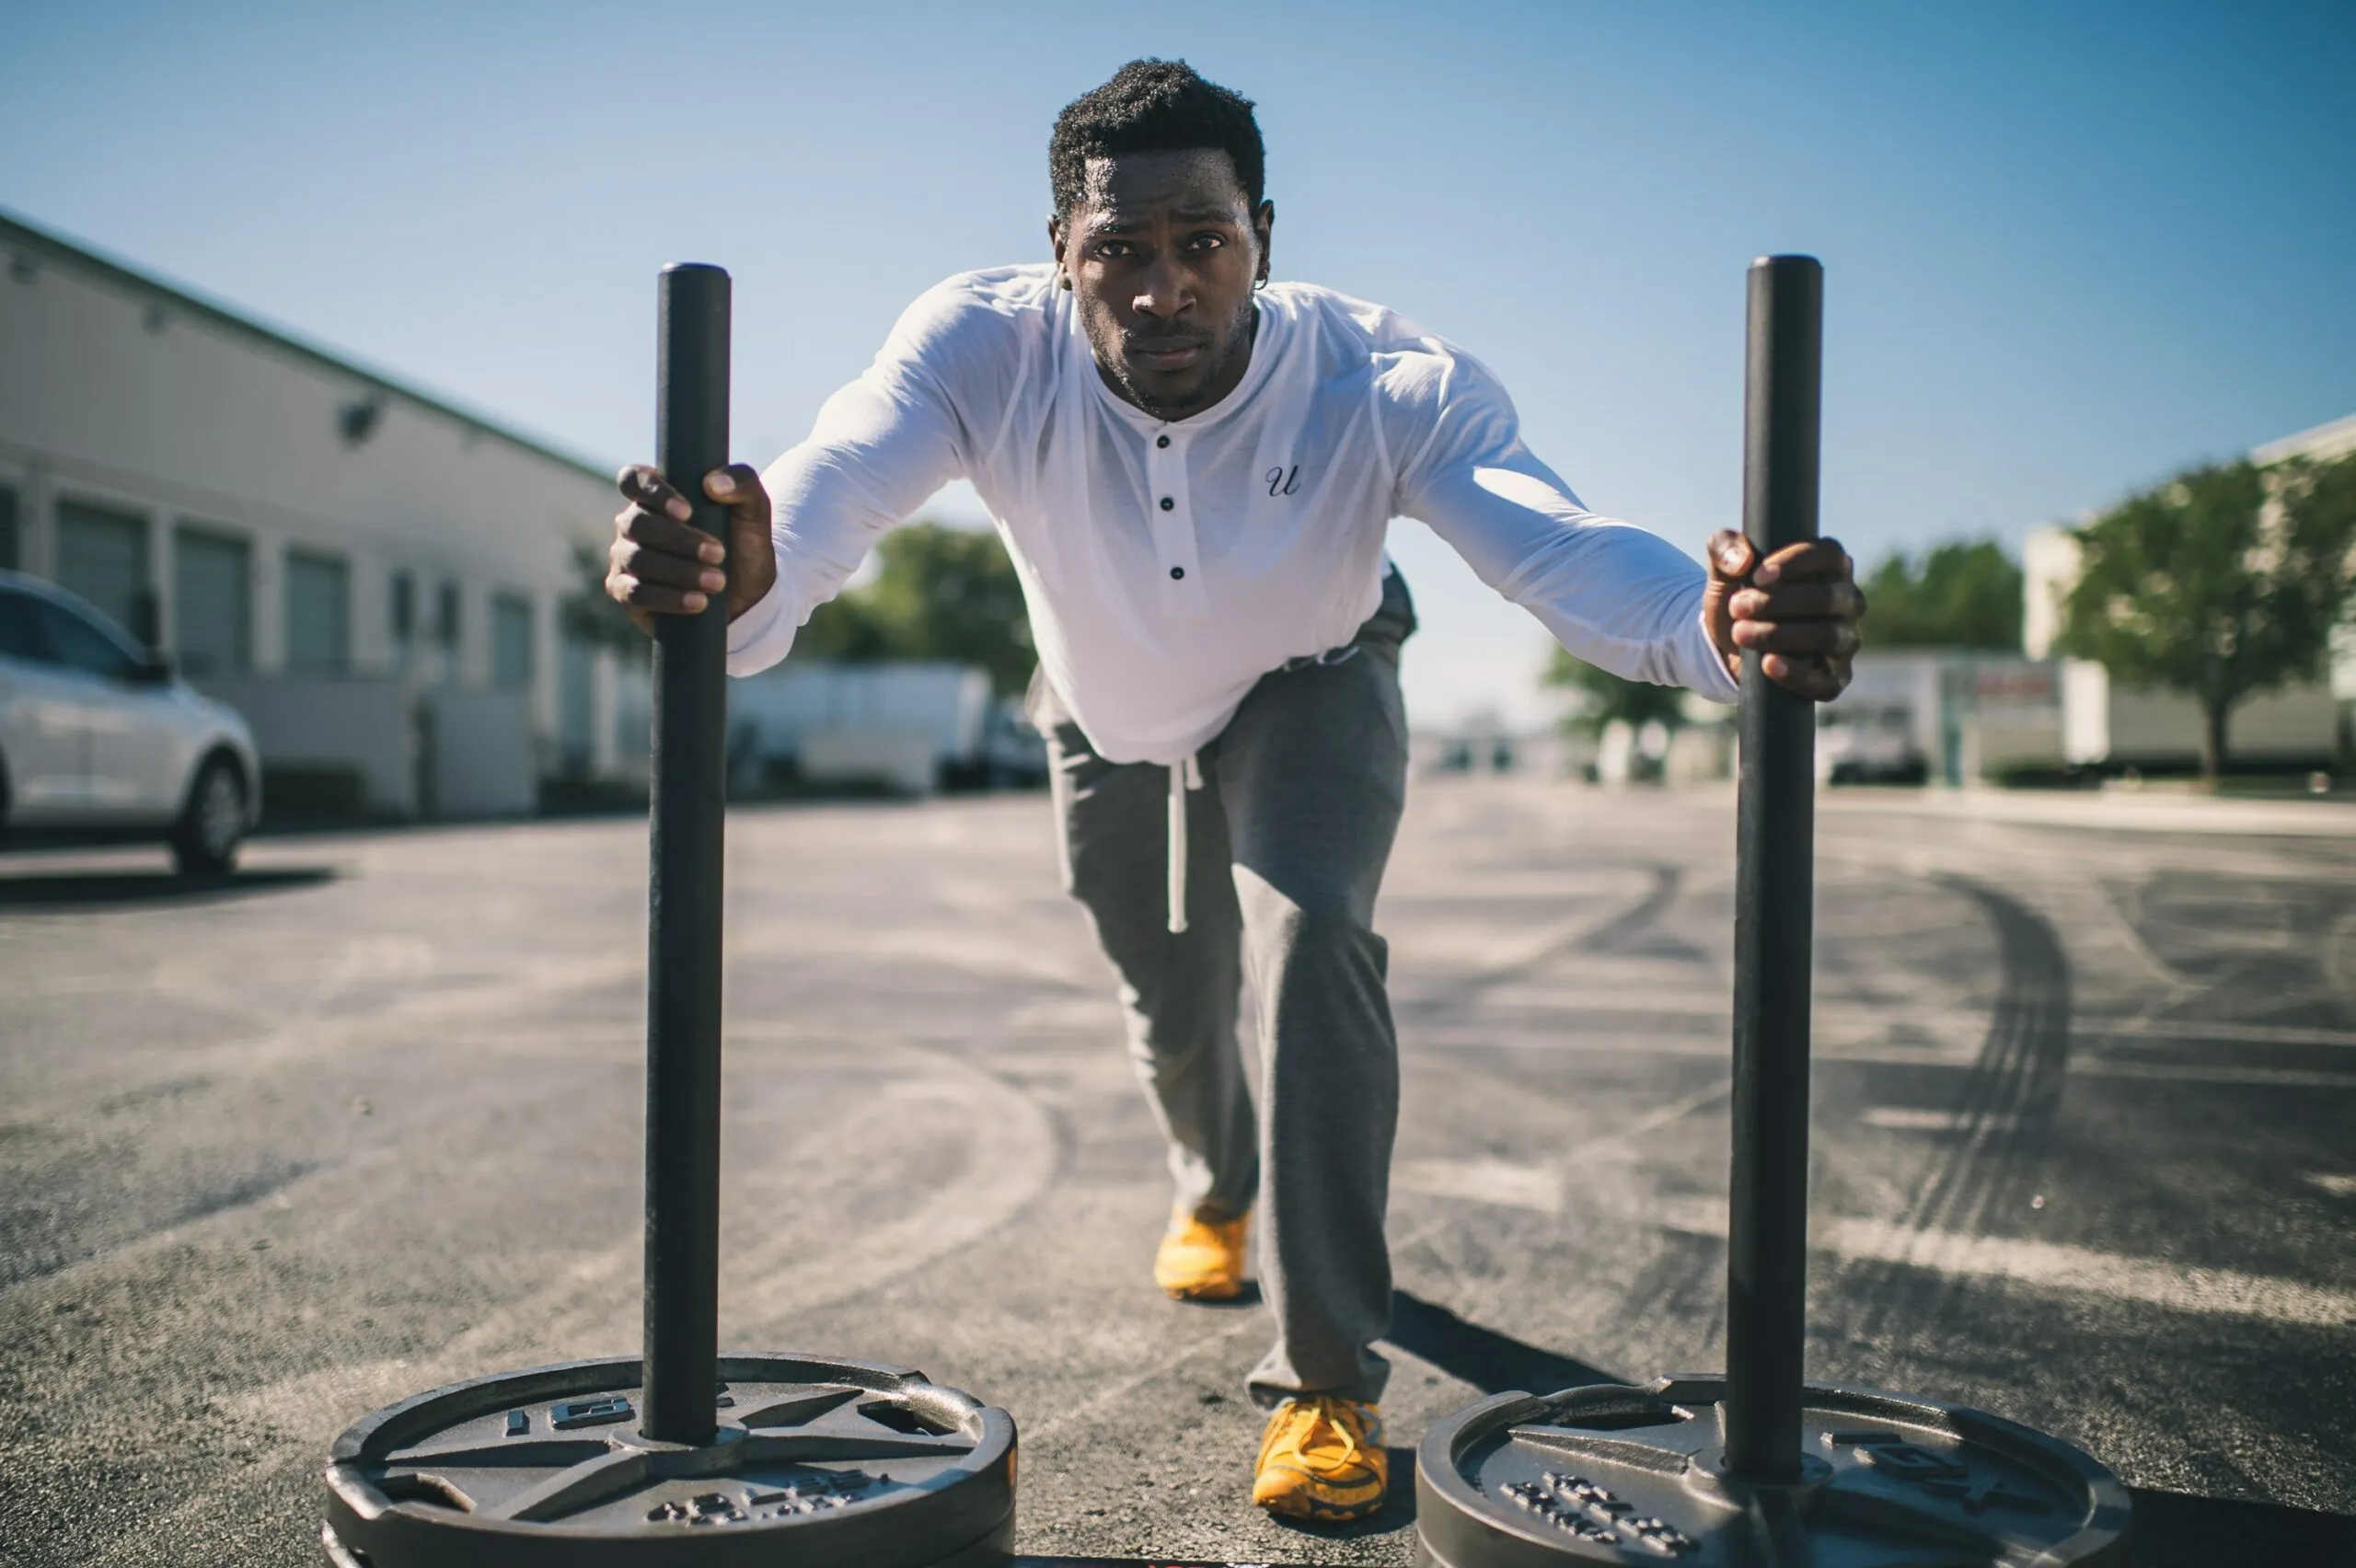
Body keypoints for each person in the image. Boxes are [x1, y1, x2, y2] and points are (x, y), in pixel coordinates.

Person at [604, 58, 1864, 1523]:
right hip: (1101, 701)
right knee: (1169, 989)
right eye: (1119, 251)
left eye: (1203, 241)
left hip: (1310, 674)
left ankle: (1327, 1379)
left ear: (1263, 236)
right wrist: (744, 575)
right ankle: (1215, 1183)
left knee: (1309, 938)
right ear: (1059, 253)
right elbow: (829, 492)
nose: (1164, 289)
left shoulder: (1378, 379)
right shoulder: (978, 348)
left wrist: (1716, 628)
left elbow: (1557, 546)